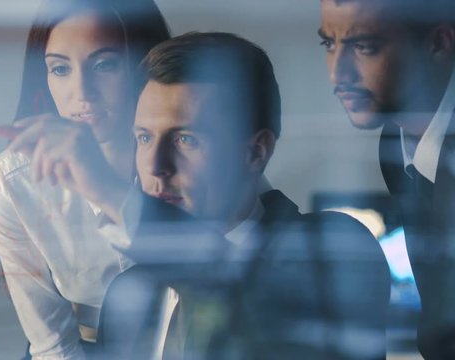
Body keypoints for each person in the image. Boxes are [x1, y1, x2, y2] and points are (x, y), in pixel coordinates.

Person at [23, 31, 390, 359]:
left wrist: (111, 193)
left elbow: (241, 300)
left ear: (255, 152)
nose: (155, 166)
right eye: (144, 138)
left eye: (185, 139)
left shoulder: (334, 250)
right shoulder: (127, 293)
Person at [0, 0, 170, 358]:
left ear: (144, 63)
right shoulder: (14, 181)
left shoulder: (189, 153)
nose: (82, 93)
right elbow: (51, 341)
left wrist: (106, 188)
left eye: (104, 65)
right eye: (60, 69)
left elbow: (238, 264)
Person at [318, 0, 455, 357]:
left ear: (439, 42)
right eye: (328, 44)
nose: (337, 75)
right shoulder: (393, 143)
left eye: (363, 46)